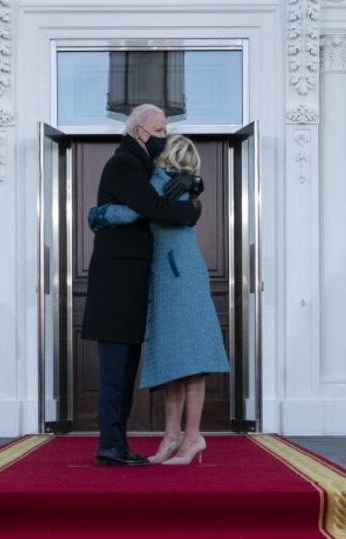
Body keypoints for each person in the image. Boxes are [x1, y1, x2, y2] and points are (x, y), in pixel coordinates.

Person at [88, 134, 230, 466]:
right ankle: (172, 437)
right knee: (172, 359)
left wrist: (95, 215)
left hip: (178, 275)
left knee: (190, 358)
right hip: (169, 276)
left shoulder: (164, 183)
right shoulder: (185, 189)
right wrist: (195, 184)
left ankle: (191, 437)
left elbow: (130, 213)